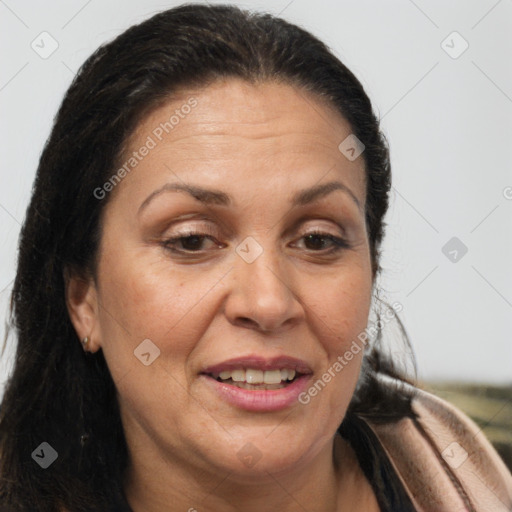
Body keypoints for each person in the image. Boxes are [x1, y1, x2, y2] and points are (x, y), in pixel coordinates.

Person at [0, 3, 510, 511]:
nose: (268, 302)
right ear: (83, 298)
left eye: (317, 239)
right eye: (192, 240)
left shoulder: (485, 478)